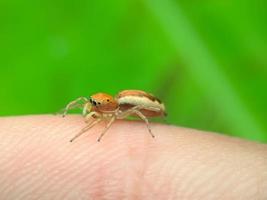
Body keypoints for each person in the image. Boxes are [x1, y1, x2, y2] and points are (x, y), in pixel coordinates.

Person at [0, 115, 266, 199]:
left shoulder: (117, 111)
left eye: (95, 107)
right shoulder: (107, 110)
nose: (90, 112)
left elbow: (141, 111)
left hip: (146, 106)